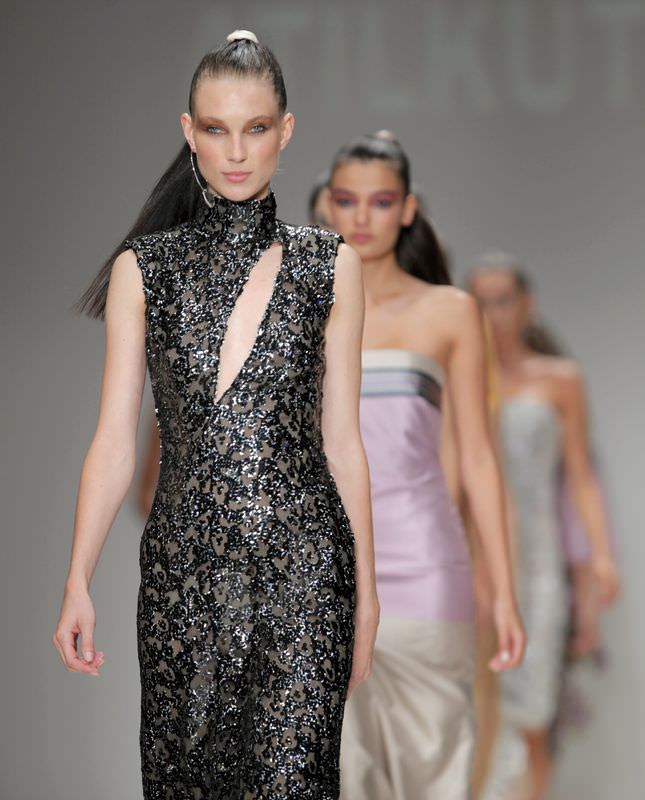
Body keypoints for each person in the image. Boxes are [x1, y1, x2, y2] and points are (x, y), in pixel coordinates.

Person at [52, 30, 379, 799]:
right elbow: (114, 444)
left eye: (255, 128)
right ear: (189, 132)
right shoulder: (145, 270)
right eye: (216, 128)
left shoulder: (330, 265)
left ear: (285, 131)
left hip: (306, 577)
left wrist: (365, 596)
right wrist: (77, 579)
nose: (236, 151)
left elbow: (343, 444)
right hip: (182, 579)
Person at [323, 131, 525, 800]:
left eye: (380, 201)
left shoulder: (450, 312)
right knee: (340, 772)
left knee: (434, 767)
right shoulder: (299, 310)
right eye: (347, 200)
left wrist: (503, 589)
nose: (361, 217)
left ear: (407, 209)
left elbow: (478, 459)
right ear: (326, 205)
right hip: (325, 568)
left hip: (426, 563)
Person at [468, 256, 620, 800]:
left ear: (526, 304)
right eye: (480, 303)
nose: (493, 315)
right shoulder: (464, 381)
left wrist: (600, 556)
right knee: (476, 705)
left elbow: (580, 477)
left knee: (534, 709)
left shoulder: (560, 380)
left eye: (503, 300)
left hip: (539, 560)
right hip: (478, 560)